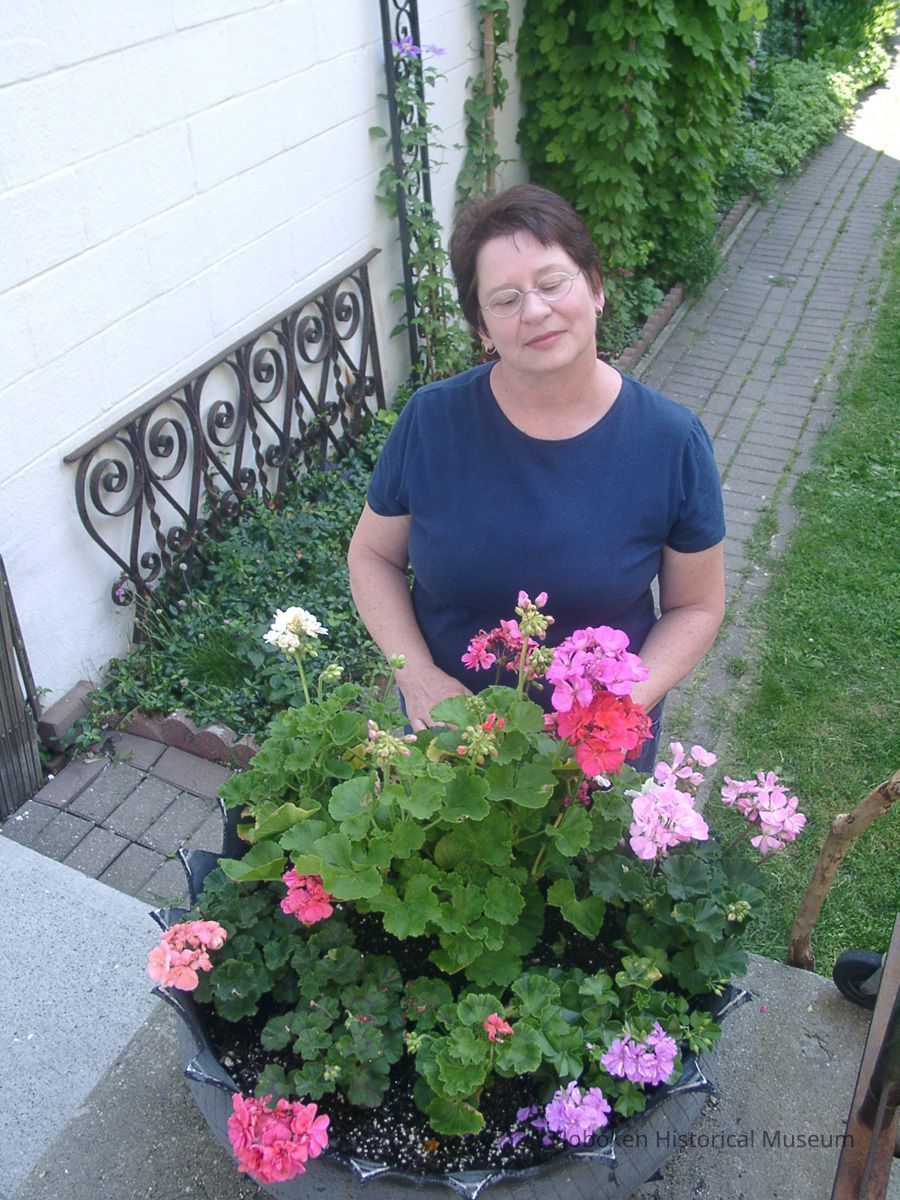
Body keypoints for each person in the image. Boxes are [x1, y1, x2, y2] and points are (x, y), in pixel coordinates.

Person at [347, 184, 725, 769]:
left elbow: (696, 607)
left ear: (596, 288)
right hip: (449, 742)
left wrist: (618, 710)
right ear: (482, 328)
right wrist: (416, 676)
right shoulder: (432, 422)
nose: (535, 310)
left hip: (598, 750)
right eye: (505, 299)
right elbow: (372, 556)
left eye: (553, 283)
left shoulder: (671, 442)